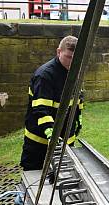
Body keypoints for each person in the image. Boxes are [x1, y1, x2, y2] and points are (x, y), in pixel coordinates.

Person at [20, 35, 83, 171]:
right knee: (34, 177)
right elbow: (41, 108)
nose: (72, 62)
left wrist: (78, 117)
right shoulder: (45, 75)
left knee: (65, 175)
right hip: (40, 141)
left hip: (65, 138)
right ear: (58, 52)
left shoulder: (74, 71)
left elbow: (77, 98)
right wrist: (50, 132)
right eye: (68, 57)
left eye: (76, 58)